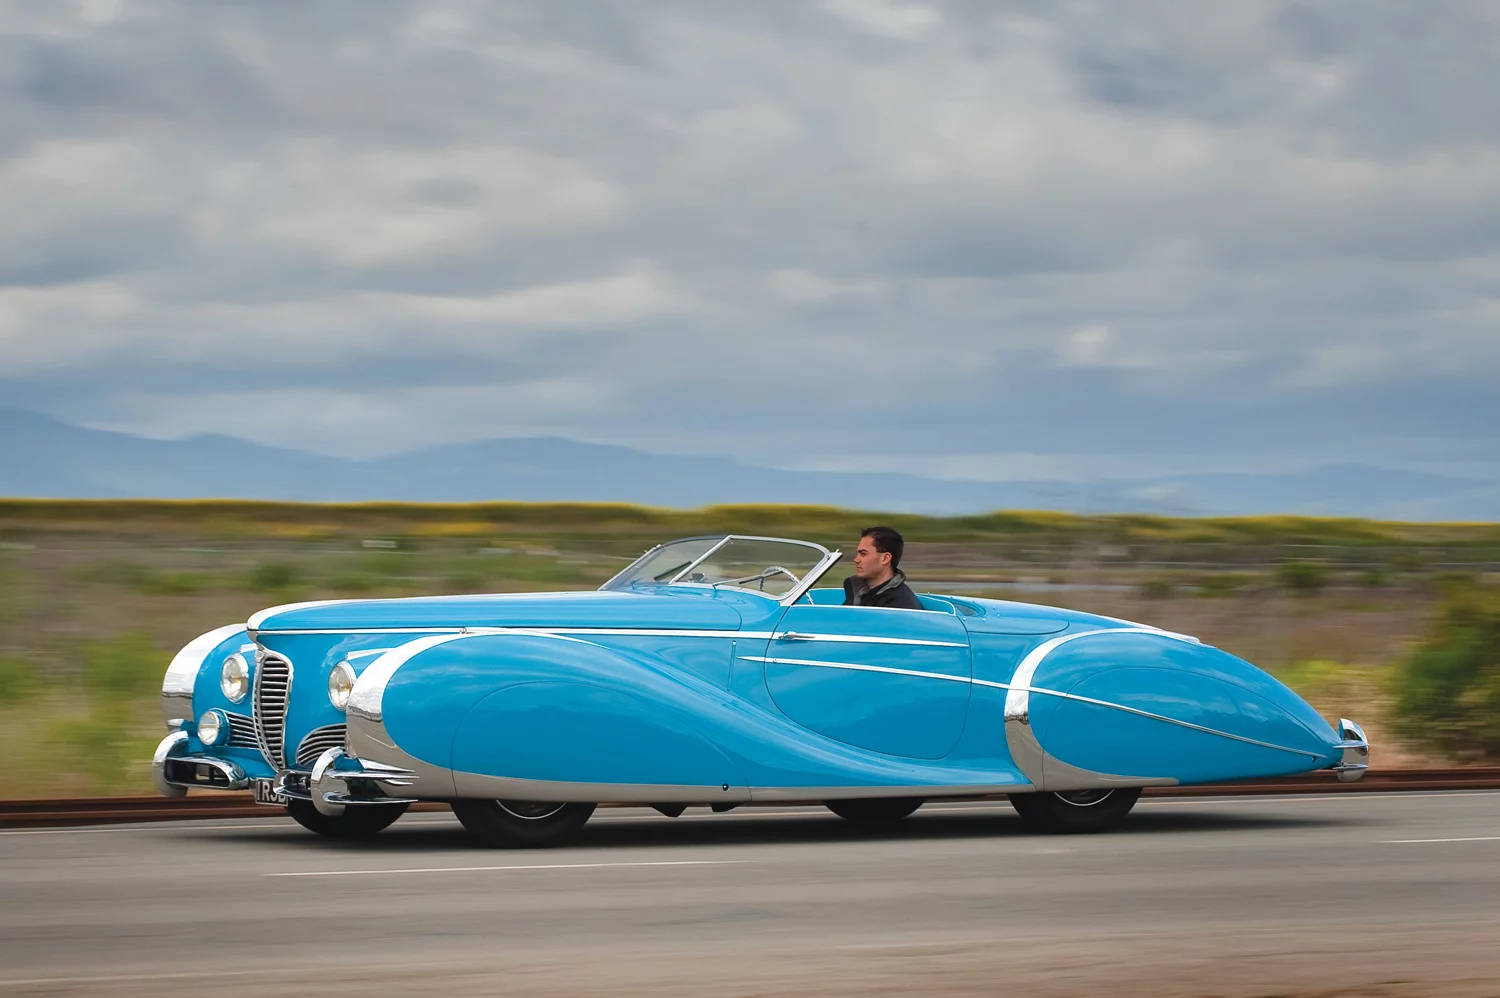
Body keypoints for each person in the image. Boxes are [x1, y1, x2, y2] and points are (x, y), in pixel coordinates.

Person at [842, 525, 923, 610]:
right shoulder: (858, 590)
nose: (856, 559)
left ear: (885, 558)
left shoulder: (901, 607)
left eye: (863, 554)